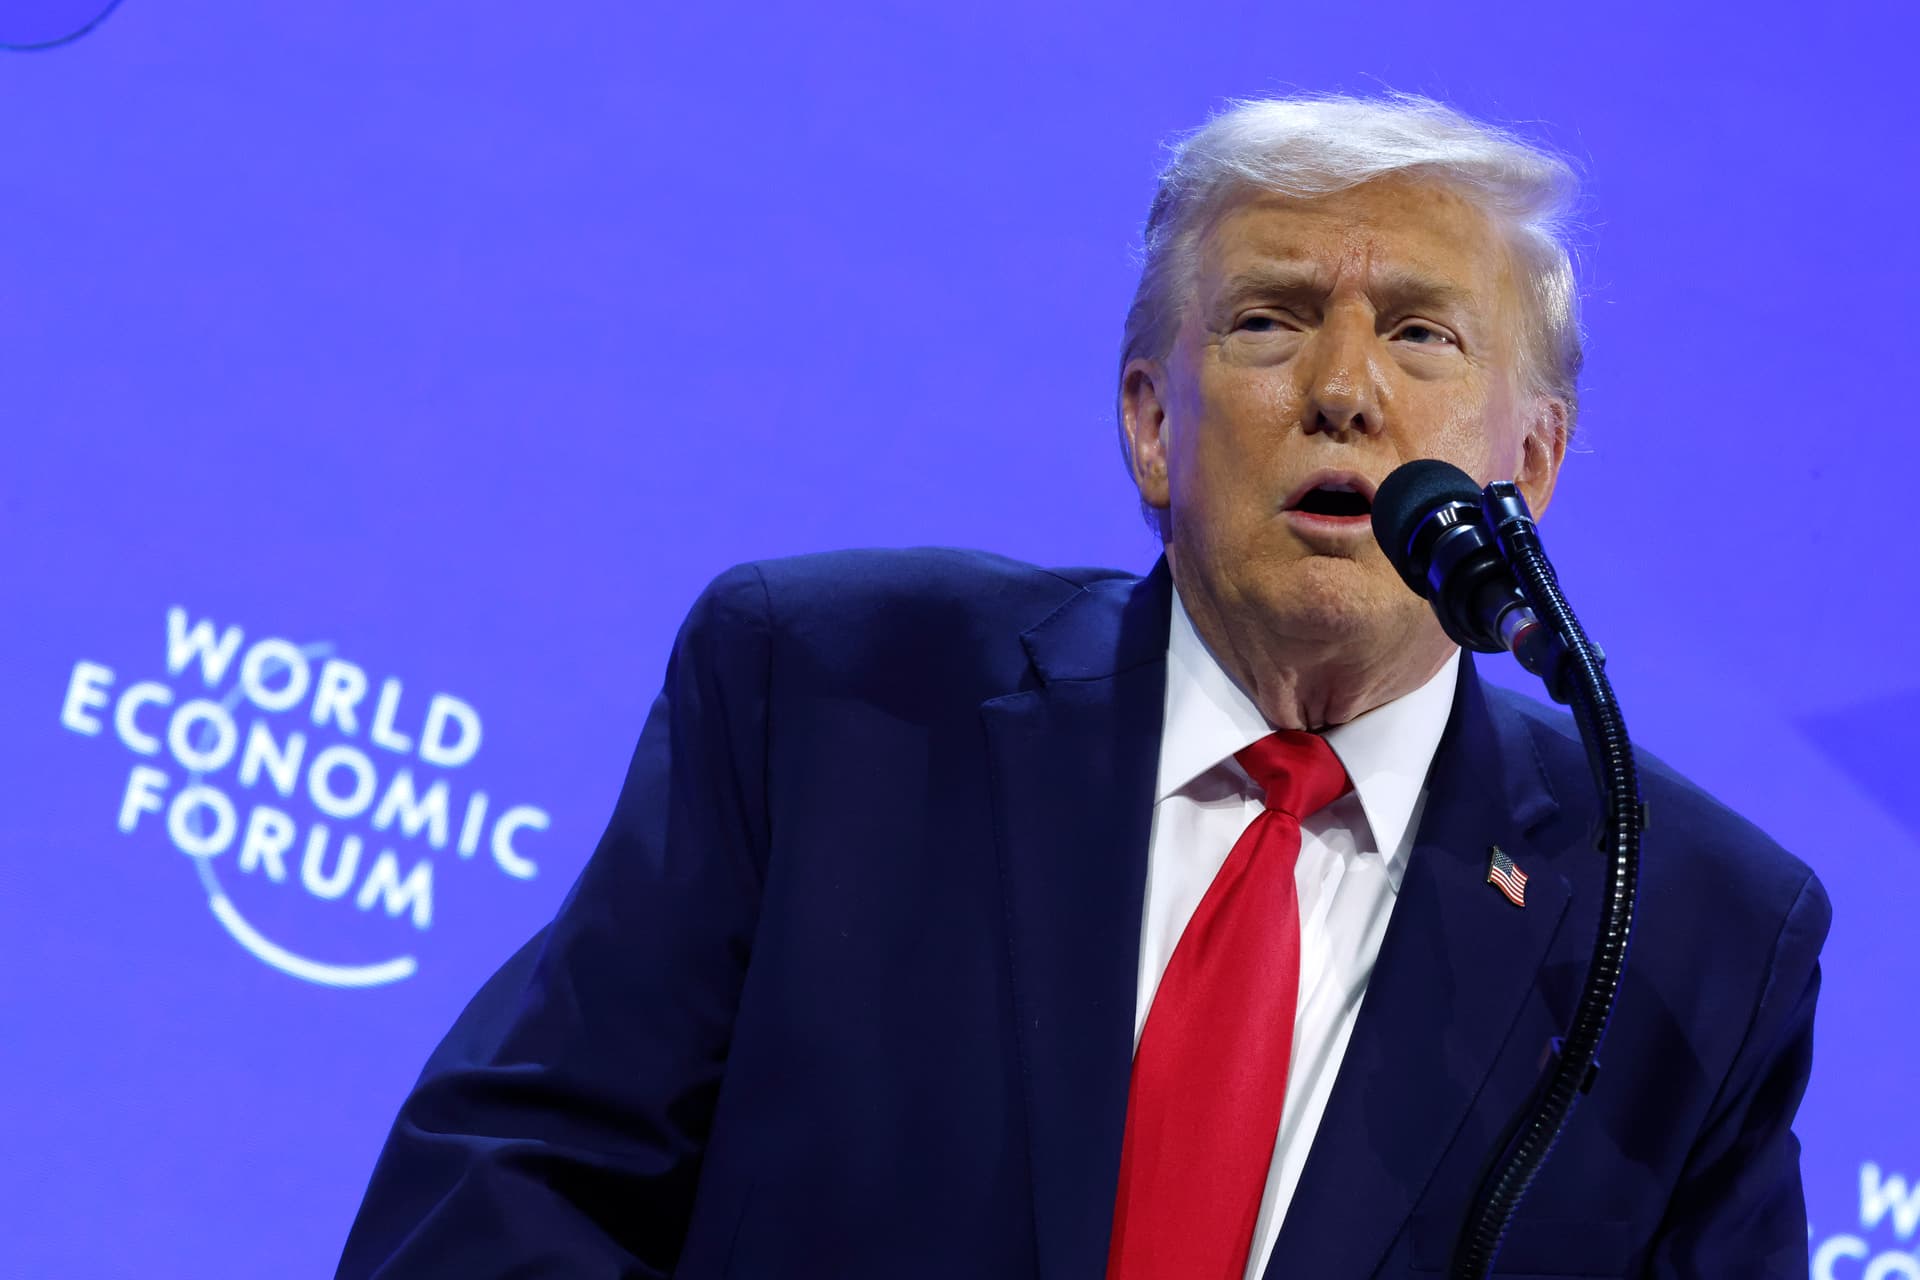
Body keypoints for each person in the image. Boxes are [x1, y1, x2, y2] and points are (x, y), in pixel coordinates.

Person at [337, 94, 1828, 1279]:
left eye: (1424, 335)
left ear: (1533, 465)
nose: (1344, 389)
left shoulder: (1689, 934)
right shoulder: (832, 696)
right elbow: (498, 1200)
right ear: (1150, 428)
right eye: (1268, 318)